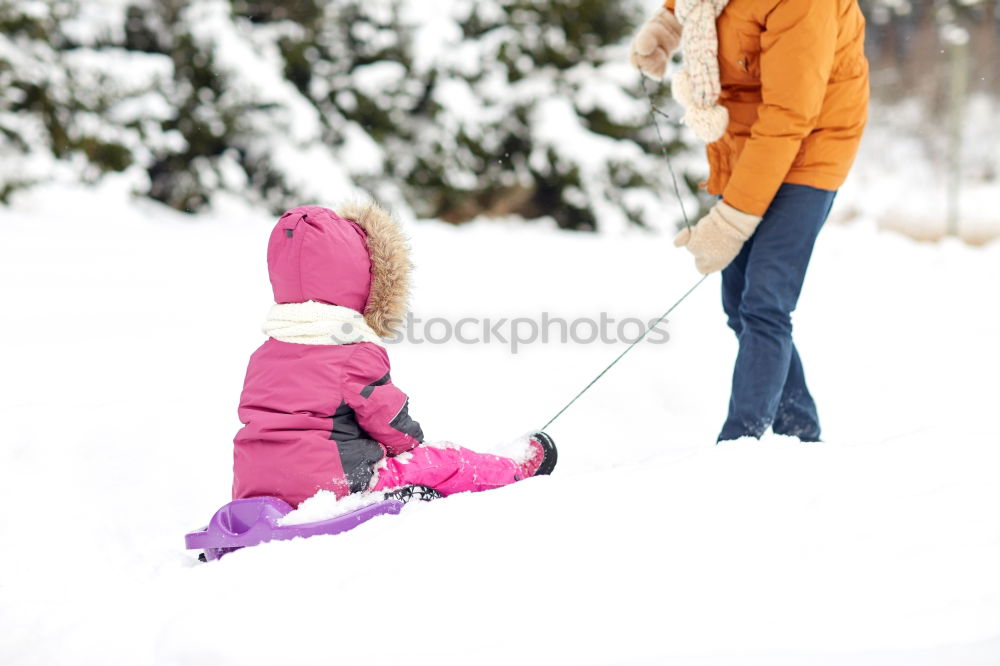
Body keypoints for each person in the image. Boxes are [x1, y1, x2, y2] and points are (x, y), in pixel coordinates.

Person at [630, 0, 869, 441]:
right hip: (746, 139)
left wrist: (732, 220)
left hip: (811, 143)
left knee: (765, 301)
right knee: (738, 299)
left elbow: (790, 115)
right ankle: (799, 431)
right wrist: (667, 25)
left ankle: (740, 442)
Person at [232, 203, 557, 507]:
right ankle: (514, 472)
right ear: (363, 279)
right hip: (336, 484)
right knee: (445, 461)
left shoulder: (265, 354)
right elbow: (389, 421)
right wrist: (411, 445)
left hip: (254, 486)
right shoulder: (353, 351)